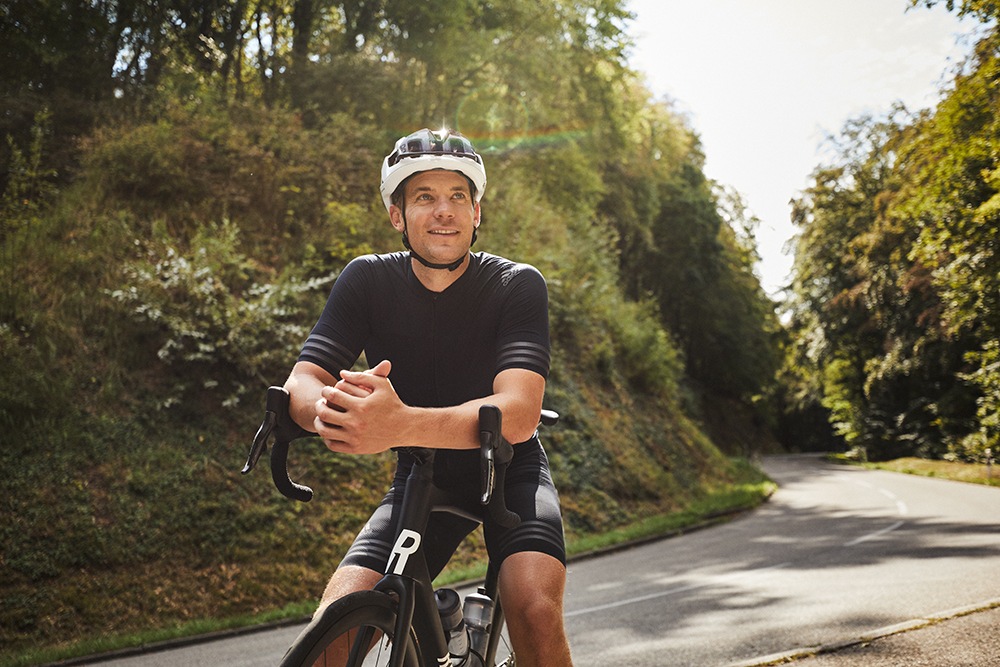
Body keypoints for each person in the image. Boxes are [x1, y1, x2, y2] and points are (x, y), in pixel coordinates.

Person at [282, 128, 574, 667]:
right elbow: (304, 379)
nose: (445, 212)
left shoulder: (516, 285)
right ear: (398, 216)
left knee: (533, 611)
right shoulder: (367, 280)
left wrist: (397, 425)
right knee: (331, 636)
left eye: (457, 197)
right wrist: (332, 413)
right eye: (425, 198)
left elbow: (517, 413)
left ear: (476, 213)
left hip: (511, 474)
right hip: (422, 477)